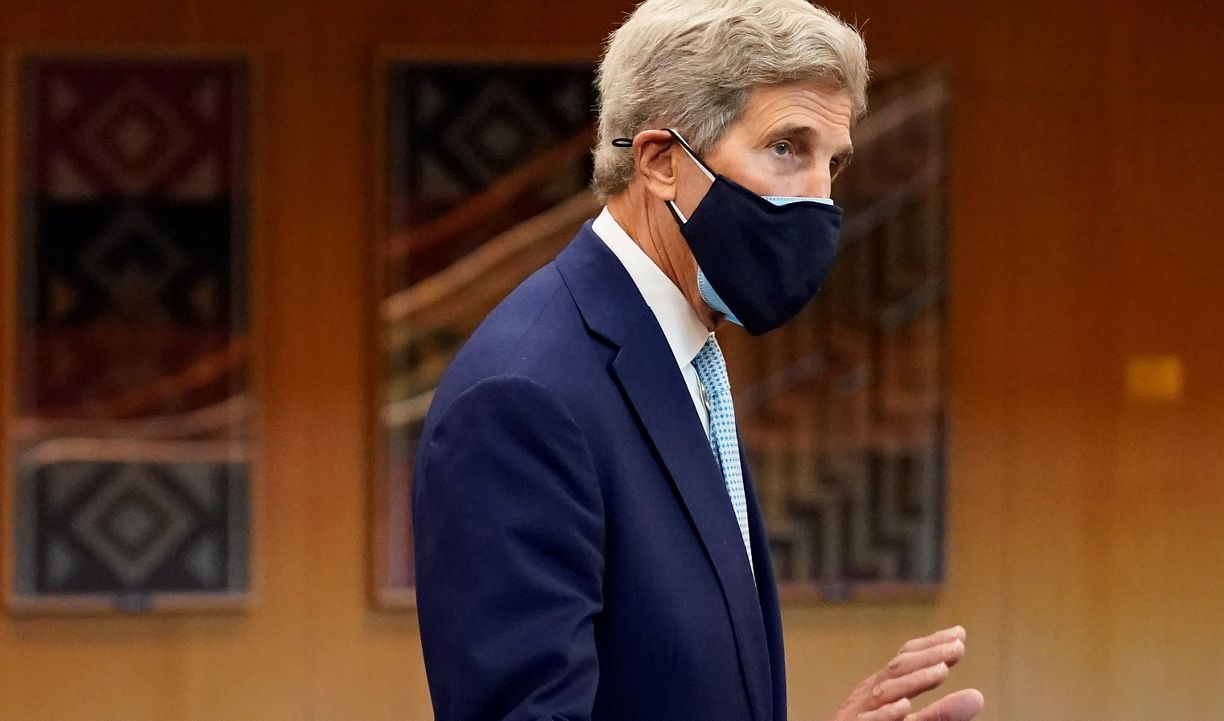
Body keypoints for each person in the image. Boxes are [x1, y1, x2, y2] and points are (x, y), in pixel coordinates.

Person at [412, 1, 986, 720]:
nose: (821, 196)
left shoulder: (684, 357)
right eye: (786, 147)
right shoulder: (525, 397)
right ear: (659, 162)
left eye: (832, 161)